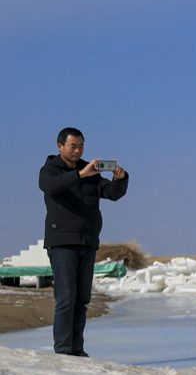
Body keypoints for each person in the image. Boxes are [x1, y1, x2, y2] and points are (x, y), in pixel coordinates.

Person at [38, 127, 129, 356]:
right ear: (60, 147)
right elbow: (49, 186)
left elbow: (111, 193)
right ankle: (63, 350)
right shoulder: (49, 170)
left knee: (82, 300)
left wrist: (121, 179)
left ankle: (77, 350)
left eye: (81, 146)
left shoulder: (91, 171)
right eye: (73, 146)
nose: (78, 150)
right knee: (66, 298)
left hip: (87, 241)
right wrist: (80, 175)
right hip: (62, 241)